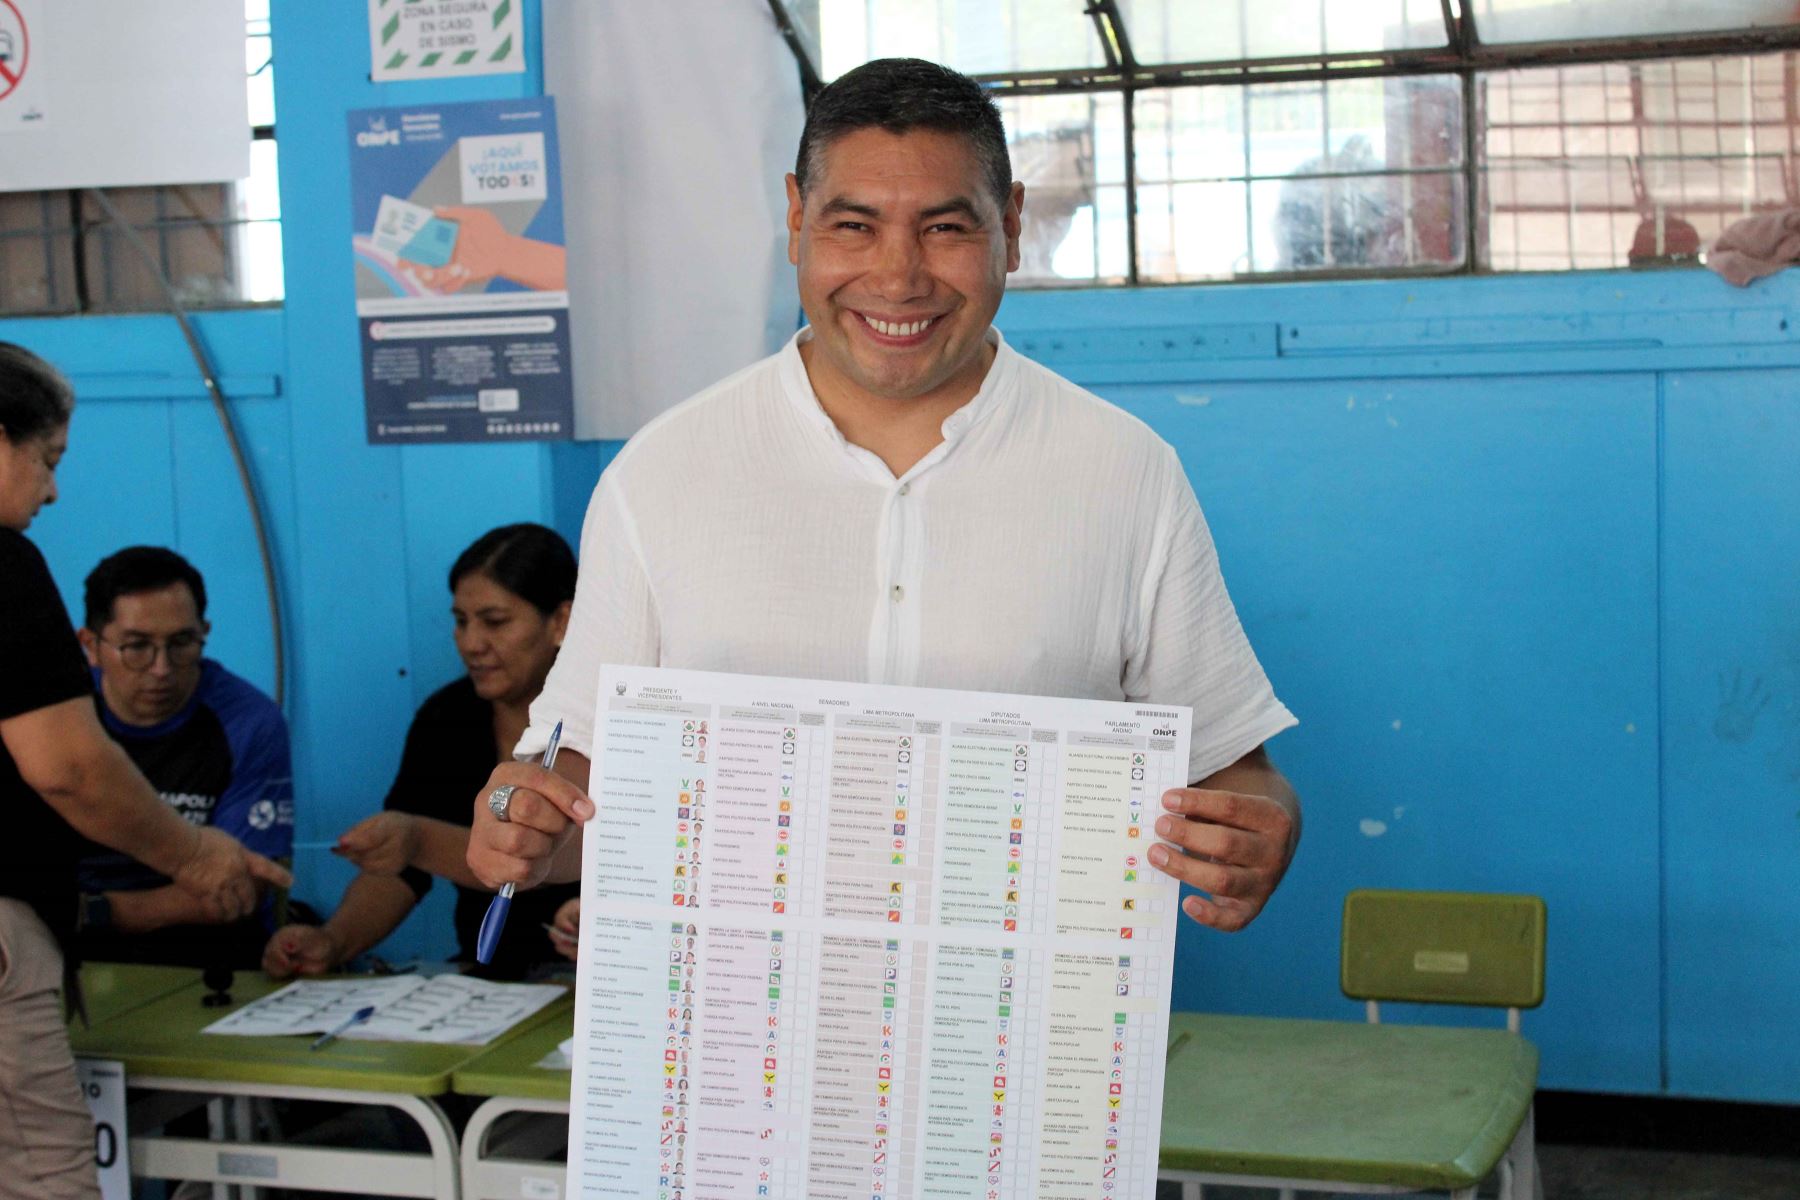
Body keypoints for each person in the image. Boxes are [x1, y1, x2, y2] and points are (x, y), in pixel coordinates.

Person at [465, 58, 1302, 934]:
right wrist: (516, 831)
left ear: (1011, 224)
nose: (899, 277)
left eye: (945, 228)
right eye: (854, 225)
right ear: (797, 217)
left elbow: (1236, 772)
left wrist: (1259, 833)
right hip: (731, 1046)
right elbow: (576, 789)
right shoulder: (660, 475)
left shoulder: (1126, 473)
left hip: (1018, 1048)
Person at [0, 341, 289, 1200]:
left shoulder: (242, 719)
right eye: (46, 460)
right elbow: (71, 770)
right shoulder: (3, 562)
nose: (52, 490)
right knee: (43, 1179)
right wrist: (198, 857)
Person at [263, 524, 580, 981]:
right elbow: (401, 868)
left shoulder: (609, 721)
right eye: (461, 621)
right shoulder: (447, 719)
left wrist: (418, 838)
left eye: (495, 621)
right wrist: (333, 941)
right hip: (485, 982)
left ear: (560, 623)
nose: (471, 643)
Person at [69, 546, 294, 968]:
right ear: (91, 646)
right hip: (63, 951)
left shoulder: (249, 721)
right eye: (136, 647)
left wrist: (90, 912)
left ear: (204, 631)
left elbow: (240, 889)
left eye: (182, 643)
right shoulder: (53, 718)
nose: (162, 668)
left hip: (206, 956)